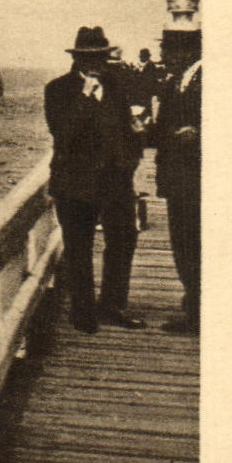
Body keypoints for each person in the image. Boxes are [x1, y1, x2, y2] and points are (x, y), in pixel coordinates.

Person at [44, 25, 146, 333]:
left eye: (100, 57)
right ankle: (83, 313)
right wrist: (86, 96)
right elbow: (63, 134)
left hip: (116, 181)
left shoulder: (115, 86)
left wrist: (131, 154)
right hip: (75, 183)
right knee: (79, 247)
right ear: (75, 58)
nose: (94, 64)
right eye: (87, 57)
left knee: (123, 239)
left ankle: (113, 306)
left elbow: (128, 128)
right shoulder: (58, 89)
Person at [150, 28, 200, 334]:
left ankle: (198, 312)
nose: (162, 57)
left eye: (167, 50)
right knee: (182, 243)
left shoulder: (208, 79)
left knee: (195, 244)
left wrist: (199, 135)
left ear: (186, 52)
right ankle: (193, 306)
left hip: (197, 180)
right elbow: (162, 129)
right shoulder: (175, 83)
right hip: (178, 180)